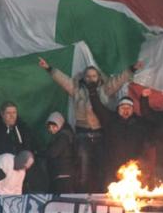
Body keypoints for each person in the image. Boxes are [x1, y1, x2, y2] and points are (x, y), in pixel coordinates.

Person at [39, 58, 140, 193]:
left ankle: (101, 196)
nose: (91, 78)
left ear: (98, 77)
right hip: (83, 135)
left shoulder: (105, 89)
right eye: (88, 76)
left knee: (101, 168)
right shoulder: (77, 90)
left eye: (94, 75)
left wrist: (132, 68)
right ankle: (83, 198)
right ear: (84, 78)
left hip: (100, 134)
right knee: (84, 170)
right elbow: (63, 80)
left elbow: (119, 80)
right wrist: (49, 68)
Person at [89, 88, 147, 185]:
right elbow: (97, 107)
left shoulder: (139, 123)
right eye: (123, 108)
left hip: (132, 168)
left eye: (128, 108)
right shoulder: (110, 120)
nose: (125, 110)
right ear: (118, 109)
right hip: (112, 168)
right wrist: (92, 91)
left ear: (133, 109)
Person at [44, 112, 75, 194]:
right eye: (49, 127)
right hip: (63, 174)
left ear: (60, 124)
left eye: (54, 126)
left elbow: (53, 153)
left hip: (63, 175)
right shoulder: (64, 135)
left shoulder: (63, 137)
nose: (51, 129)